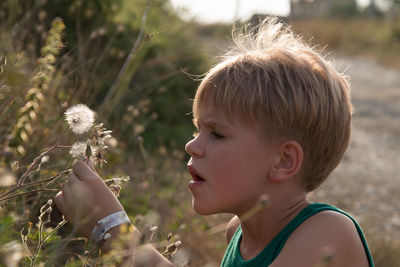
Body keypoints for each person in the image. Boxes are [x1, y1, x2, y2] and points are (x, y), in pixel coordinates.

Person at [55, 17, 374, 266]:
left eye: (217, 133)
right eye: (197, 130)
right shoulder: (238, 233)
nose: (191, 146)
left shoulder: (328, 233)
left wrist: (115, 232)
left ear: (283, 161)